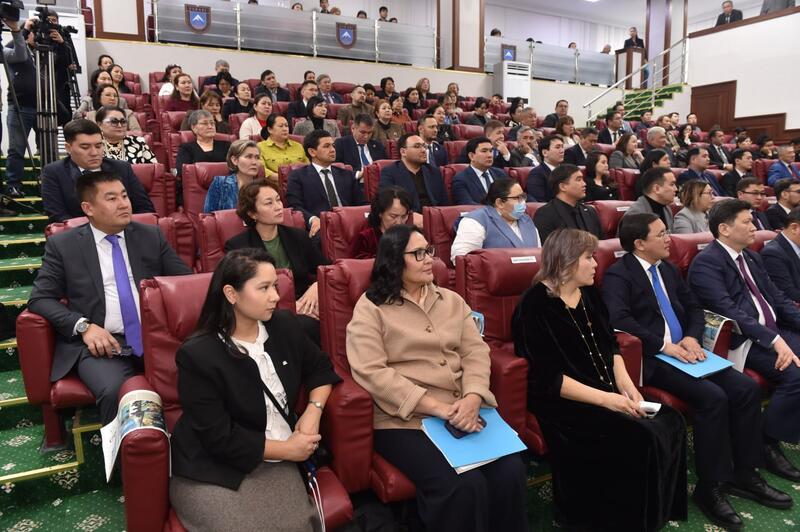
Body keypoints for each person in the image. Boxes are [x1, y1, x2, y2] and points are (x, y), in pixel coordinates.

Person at [605, 213, 783, 530]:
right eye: (661, 234)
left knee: (745, 389)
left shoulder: (668, 269)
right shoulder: (619, 275)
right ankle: (710, 486)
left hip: (688, 350)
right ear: (640, 243)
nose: (668, 239)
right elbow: (620, 320)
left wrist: (690, 336)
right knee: (713, 398)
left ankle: (745, 473)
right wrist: (665, 346)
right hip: (654, 358)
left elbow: (695, 307)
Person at [347, 224, 528, 532]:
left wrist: (473, 397)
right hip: (405, 420)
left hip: (463, 408)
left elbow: (475, 352)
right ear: (394, 260)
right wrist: (439, 408)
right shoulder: (372, 307)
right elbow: (371, 371)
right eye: (418, 254)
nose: (429, 258)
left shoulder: (451, 300)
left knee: (510, 471)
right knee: (464, 485)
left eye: (429, 251)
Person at [512, 228, 687, 530]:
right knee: (639, 436)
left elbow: (611, 344)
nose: (596, 264)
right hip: (564, 400)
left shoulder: (590, 292)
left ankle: (654, 512)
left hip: (606, 387)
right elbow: (548, 379)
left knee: (671, 420)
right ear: (566, 261)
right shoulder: (534, 305)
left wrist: (627, 386)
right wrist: (609, 400)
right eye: (588, 258)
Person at [169, 247, 338, 532]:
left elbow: (321, 369)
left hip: (276, 458)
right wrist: (288, 449)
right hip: (212, 465)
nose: (276, 296)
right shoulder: (198, 354)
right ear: (231, 294)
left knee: (296, 525)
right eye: (264, 288)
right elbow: (217, 436)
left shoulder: (284, 325)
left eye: (275, 286)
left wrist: (314, 410)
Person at [29, 171, 191, 424]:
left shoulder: (151, 235)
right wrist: (83, 327)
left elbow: (185, 283)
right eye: (112, 198)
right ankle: (126, 450)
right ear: (88, 208)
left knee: (198, 375)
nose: (124, 204)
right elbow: (40, 298)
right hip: (102, 343)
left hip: (155, 336)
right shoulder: (64, 245)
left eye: (125, 196)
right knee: (115, 390)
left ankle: (187, 443)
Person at [689, 199, 800, 482]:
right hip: (742, 340)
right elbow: (729, 311)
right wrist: (774, 340)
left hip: (773, 331)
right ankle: (767, 441)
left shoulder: (750, 256)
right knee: (794, 374)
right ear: (724, 229)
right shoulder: (706, 263)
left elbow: (777, 298)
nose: (755, 227)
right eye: (747, 222)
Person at [226, 181, 330, 344]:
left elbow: (328, 269)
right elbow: (242, 291)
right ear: (252, 213)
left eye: (278, 200)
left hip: (304, 304)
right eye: (269, 203)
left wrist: (316, 286)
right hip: (263, 309)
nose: (278, 207)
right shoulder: (238, 246)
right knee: (303, 326)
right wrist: (289, 307)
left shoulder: (298, 236)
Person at [41, 120, 155, 222]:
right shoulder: (54, 172)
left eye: (98, 146)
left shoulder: (122, 168)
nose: (94, 153)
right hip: (80, 235)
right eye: (85, 147)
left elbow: (145, 209)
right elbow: (58, 217)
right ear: (68, 148)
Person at [287, 130, 363, 231]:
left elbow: (362, 203)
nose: (333, 150)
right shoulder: (298, 176)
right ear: (312, 152)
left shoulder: (346, 174)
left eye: (333, 146)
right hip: (320, 226)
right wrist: (312, 219)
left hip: (349, 224)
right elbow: (295, 206)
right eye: (326, 146)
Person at [451, 178, 539, 263]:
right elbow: (461, 259)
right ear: (499, 203)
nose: (523, 202)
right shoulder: (475, 221)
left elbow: (539, 254)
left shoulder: (526, 220)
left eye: (523, 197)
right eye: (517, 198)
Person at [379, 134, 448, 214]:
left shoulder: (433, 172)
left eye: (424, 146)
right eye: (417, 146)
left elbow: (444, 204)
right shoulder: (390, 172)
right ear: (403, 152)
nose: (423, 150)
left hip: (434, 216)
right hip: (407, 218)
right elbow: (387, 204)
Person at [534, 164, 603, 242]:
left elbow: (601, 243)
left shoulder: (590, 211)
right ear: (563, 187)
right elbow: (549, 247)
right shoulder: (545, 214)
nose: (584, 184)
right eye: (578, 180)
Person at [353, 186, 412, 259]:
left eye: (403, 217)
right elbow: (358, 263)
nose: (399, 222)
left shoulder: (412, 236)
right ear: (380, 213)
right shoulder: (366, 238)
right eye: (393, 216)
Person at [203, 140, 261, 213]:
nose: (254, 162)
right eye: (249, 157)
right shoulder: (220, 183)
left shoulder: (263, 187)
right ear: (235, 160)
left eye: (257, 157)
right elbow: (208, 216)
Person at [452, 137, 509, 205]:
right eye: (484, 151)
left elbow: (512, 197)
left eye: (491, 151)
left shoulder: (500, 174)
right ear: (471, 156)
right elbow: (467, 205)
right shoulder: (461, 179)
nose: (490, 155)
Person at [175, 110, 231, 179]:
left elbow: (235, 168)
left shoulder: (226, 146)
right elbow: (182, 172)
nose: (210, 126)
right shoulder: (186, 148)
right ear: (194, 128)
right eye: (205, 123)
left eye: (212, 123)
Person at [258, 114, 308, 187]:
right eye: (281, 126)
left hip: (300, 185)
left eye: (286, 126)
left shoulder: (298, 146)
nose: (285, 129)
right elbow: (263, 170)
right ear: (270, 129)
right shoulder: (260, 147)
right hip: (275, 186)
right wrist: (284, 179)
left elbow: (307, 167)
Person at [623, 167, 677, 232]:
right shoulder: (635, 214)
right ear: (657, 189)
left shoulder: (666, 208)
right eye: (672, 184)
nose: (676, 189)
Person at [526, 135, 565, 202]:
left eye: (562, 147)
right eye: (557, 147)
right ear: (545, 153)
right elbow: (539, 202)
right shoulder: (536, 174)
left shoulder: (567, 170)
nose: (562, 151)